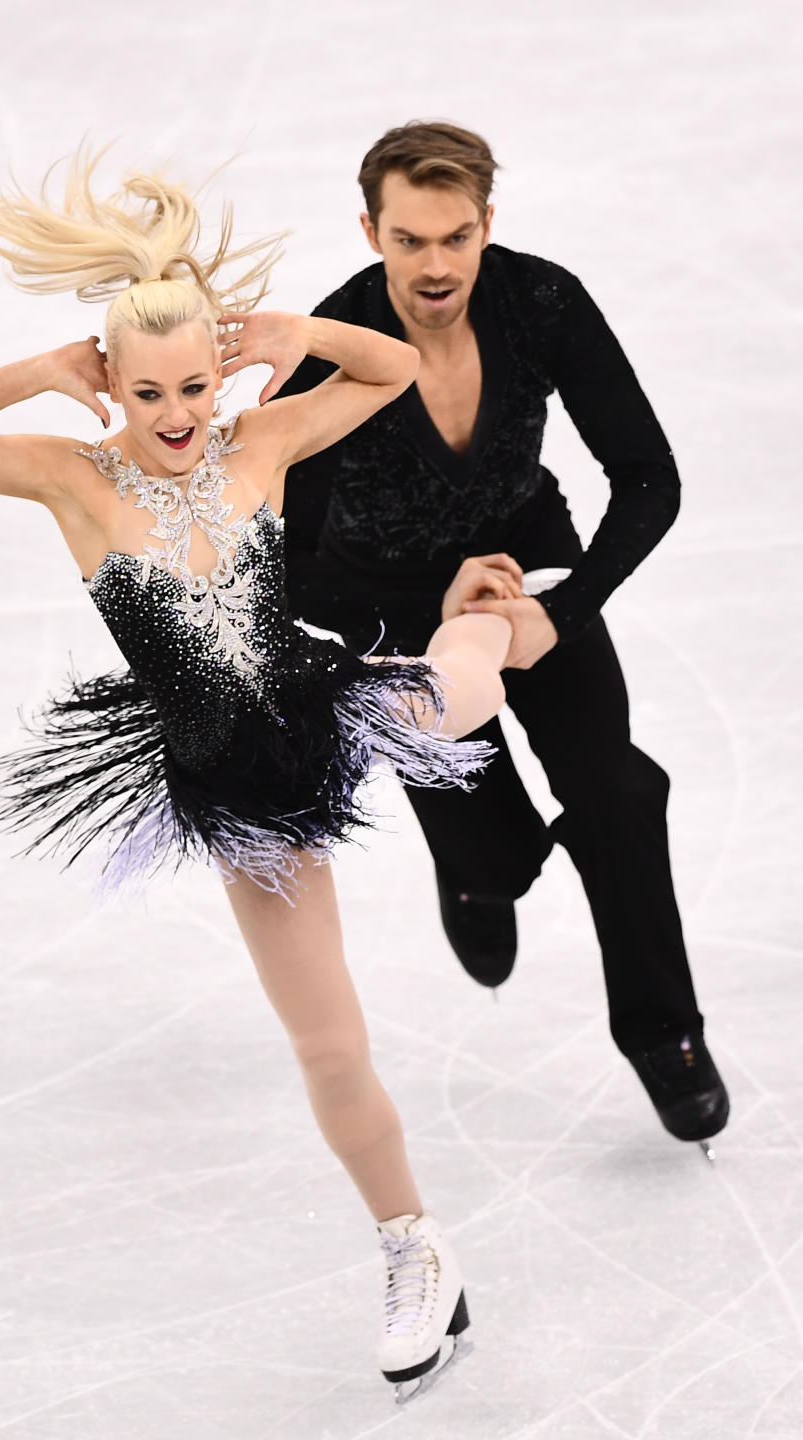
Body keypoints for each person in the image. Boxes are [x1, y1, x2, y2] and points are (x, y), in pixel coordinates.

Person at [0, 146, 514, 1399]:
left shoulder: (258, 441)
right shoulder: (75, 483)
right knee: (329, 1047)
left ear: (218, 376)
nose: (176, 414)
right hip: (241, 783)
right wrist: (44, 373)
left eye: (194, 385)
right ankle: (415, 1248)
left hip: (319, 701)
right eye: (148, 390)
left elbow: (386, 367)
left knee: (466, 695)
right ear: (112, 385)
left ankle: (491, 605)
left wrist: (289, 331)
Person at [275, 120, 729, 1150]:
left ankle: (665, 1033)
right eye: (408, 240)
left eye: (455, 237)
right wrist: (425, 616)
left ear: (487, 226)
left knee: (616, 788)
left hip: (534, 572)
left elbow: (649, 478)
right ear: (371, 232)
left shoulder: (540, 301)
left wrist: (554, 612)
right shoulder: (335, 343)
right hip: (384, 610)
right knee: (496, 847)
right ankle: (480, 870)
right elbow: (284, 555)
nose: (435, 266)